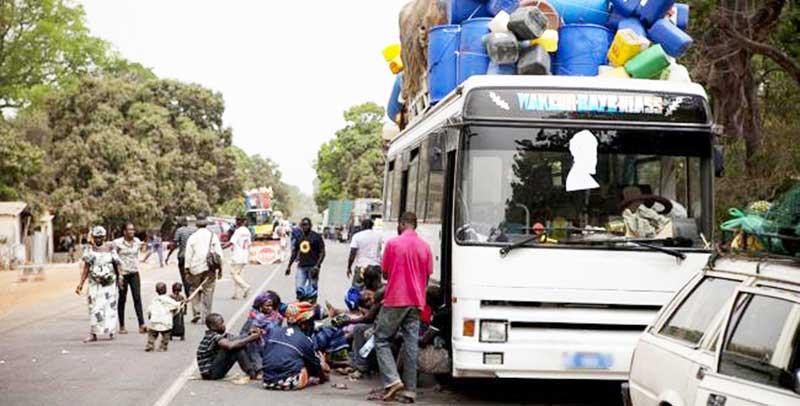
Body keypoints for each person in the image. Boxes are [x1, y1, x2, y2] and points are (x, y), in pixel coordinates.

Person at [371, 212, 432, 403]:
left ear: (402, 224)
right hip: (416, 301)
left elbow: (386, 274)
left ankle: (393, 380)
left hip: (396, 298)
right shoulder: (425, 247)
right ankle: (410, 391)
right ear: (415, 225)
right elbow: (428, 275)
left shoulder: (393, 244)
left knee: (380, 338)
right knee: (411, 345)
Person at [261, 302, 328, 391]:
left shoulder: (274, 331)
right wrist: (324, 374)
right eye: (310, 322)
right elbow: (316, 368)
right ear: (304, 323)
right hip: (288, 383)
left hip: (266, 381)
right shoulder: (304, 339)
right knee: (308, 366)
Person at [75, 226, 121, 343]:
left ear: (104, 237)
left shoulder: (110, 248)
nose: (98, 240)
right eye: (96, 237)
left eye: (100, 237)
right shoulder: (89, 250)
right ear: (93, 238)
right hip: (94, 283)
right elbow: (86, 267)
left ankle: (111, 330)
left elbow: (117, 263)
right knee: (94, 307)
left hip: (109, 283)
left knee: (109, 306)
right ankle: (93, 333)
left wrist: (120, 277)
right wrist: (81, 284)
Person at [196, 313, 261, 382]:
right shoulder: (213, 336)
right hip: (210, 373)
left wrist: (249, 334)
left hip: (213, 371)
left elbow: (235, 338)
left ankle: (254, 371)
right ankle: (252, 373)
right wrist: (250, 338)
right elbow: (230, 345)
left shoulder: (218, 334)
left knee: (239, 343)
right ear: (213, 327)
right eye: (221, 324)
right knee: (236, 347)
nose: (224, 325)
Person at [185, 213, 224, 323]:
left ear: (196, 225)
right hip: (210, 268)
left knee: (194, 289)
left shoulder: (192, 237)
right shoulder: (213, 236)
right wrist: (220, 269)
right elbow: (219, 254)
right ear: (206, 224)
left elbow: (188, 255)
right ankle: (206, 315)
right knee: (208, 291)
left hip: (195, 268)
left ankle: (196, 312)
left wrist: (187, 269)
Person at [113, 222, 146, 334]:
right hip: (123, 274)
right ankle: (122, 325)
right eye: (129, 230)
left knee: (137, 297)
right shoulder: (117, 243)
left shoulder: (137, 241)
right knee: (122, 299)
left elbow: (141, 250)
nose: (132, 232)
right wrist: (118, 275)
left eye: (133, 229)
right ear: (124, 232)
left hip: (134, 273)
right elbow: (114, 258)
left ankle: (141, 324)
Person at [285, 218, 325, 290]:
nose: (304, 227)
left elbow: (322, 252)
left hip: (313, 267)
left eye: (306, 225)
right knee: (299, 289)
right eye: (303, 225)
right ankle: (301, 300)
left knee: (312, 291)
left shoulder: (316, 237)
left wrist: (317, 266)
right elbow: (295, 252)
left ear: (310, 225)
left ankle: (312, 301)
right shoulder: (299, 237)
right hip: (301, 267)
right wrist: (289, 266)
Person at [347, 218, 383, 289]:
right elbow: (382, 251)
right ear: (372, 226)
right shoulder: (379, 236)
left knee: (355, 291)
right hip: (375, 268)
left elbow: (352, 253)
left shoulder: (357, 236)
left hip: (362, 268)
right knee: (376, 292)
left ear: (362, 226)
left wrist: (349, 267)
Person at [145, 282, 180, 352]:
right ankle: (163, 346)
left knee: (152, 334)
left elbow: (149, 310)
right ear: (166, 290)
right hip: (166, 322)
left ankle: (150, 344)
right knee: (166, 335)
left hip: (155, 321)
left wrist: (150, 317)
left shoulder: (154, 300)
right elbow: (176, 306)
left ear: (156, 290)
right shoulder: (169, 300)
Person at [228, 217, 252, 300]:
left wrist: (221, 247)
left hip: (237, 256)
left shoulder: (238, 231)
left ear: (239, 222)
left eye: (236, 221)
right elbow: (249, 244)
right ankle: (236, 294)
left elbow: (231, 242)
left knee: (233, 274)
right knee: (238, 275)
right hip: (244, 255)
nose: (235, 222)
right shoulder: (247, 231)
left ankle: (246, 287)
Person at [173, 216, 197, 297]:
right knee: (193, 274)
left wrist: (168, 255)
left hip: (182, 256)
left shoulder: (179, 231)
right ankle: (195, 292)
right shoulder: (194, 230)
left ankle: (188, 294)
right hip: (193, 257)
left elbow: (174, 244)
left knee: (184, 277)